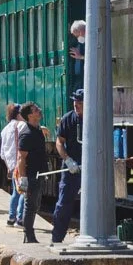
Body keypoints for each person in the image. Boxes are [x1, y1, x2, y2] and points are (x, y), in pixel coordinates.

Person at [50, 89, 84, 245]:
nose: (76, 104)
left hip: (89, 166)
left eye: (80, 102)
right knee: (64, 202)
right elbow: (59, 142)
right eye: (75, 101)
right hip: (71, 166)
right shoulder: (67, 119)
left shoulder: (94, 117)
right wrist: (68, 160)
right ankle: (56, 237)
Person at [13, 102, 50, 244]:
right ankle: (28, 235)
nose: (39, 111)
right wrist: (23, 178)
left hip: (39, 173)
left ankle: (29, 234)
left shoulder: (37, 131)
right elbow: (21, 157)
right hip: (30, 174)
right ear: (30, 115)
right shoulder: (26, 134)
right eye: (36, 110)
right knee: (30, 204)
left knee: (35, 204)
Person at [0, 105, 25, 226]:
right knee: (24, 191)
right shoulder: (21, 126)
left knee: (16, 191)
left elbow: (2, 153)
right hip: (21, 163)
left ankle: (11, 217)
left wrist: (9, 165)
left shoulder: (4, 129)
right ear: (19, 114)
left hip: (11, 164)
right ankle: (20, 219)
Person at [68, 19, 87, 93]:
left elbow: (96, 59)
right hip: (78, 78)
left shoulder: (92, 41)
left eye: (77, 36)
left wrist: (80, 57)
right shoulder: (80, 44)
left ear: (81, 31)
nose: (77, 38)